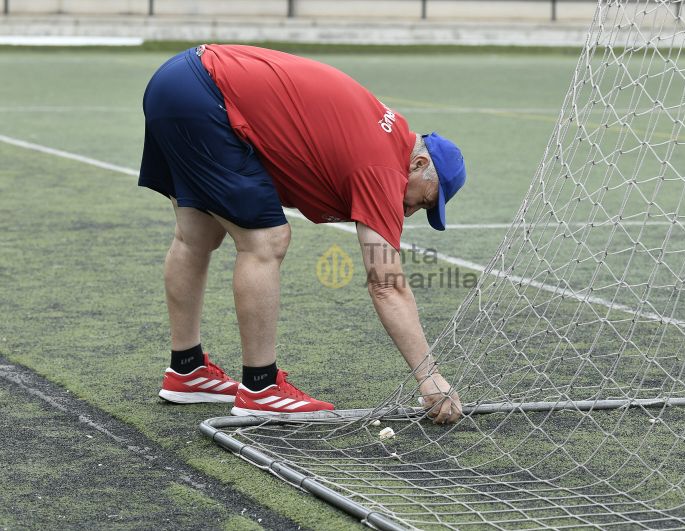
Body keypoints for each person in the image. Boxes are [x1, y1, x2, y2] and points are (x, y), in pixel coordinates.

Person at [138, 45, 466, 424]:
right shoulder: (383, 166)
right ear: (419, 163)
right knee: (266, 240)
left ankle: (187, 370)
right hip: (206, 92)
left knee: (195, 234)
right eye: (422, 202)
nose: (409, 212)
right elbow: (386, 284)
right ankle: (261, 388)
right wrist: (430, 377)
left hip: (178, 78)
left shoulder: (385, 135)